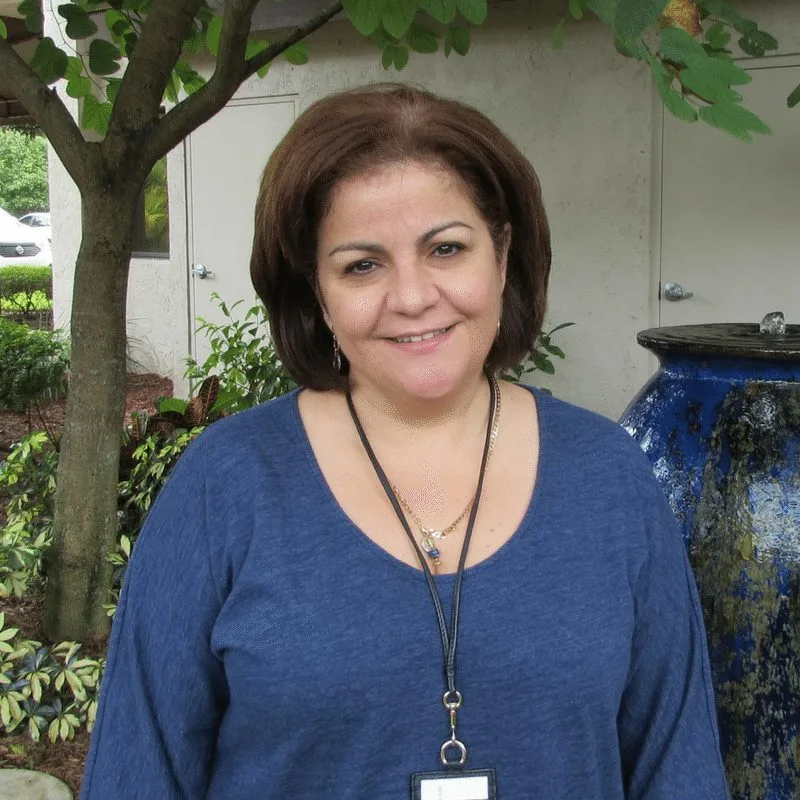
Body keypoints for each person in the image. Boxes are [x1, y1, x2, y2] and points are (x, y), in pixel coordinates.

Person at [81, 84, 729, 799]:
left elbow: (680, 772)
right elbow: (135, 776)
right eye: (362, 265)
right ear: (316, 289)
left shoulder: (609, 477)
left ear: (502, 254)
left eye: (446, 249)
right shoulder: (225, 486)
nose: (414, 297)